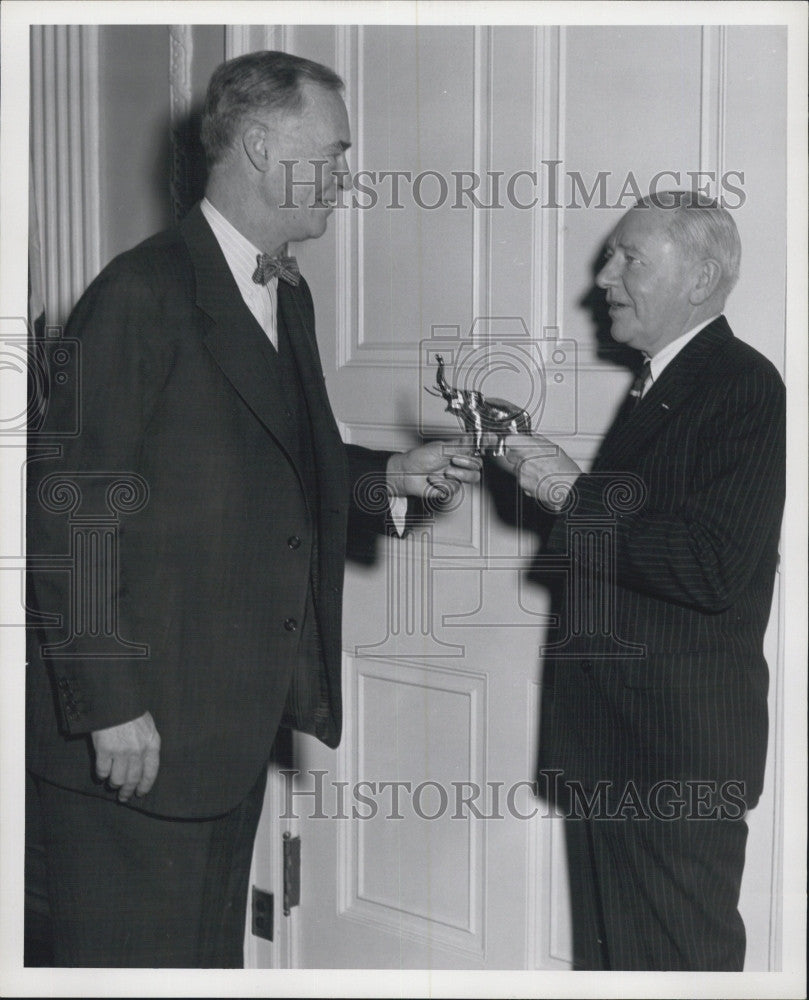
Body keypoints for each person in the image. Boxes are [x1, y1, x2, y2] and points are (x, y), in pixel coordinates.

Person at [25, 50, 481, 968]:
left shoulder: (287, 293)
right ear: (266, 147)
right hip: (135, 741)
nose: (349, 177)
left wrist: (389, 479)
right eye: (336, 151)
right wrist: (109, 704)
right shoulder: (141, 291)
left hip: (222, 731)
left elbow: (281, 462)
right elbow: (67, 510)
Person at [496, 192, 785, 970]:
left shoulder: (743, 386)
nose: (604, 277)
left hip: (673, 762)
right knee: (616, 968)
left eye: (629, 258)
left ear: (699, 279)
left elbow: (709, 566)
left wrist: (565, 490)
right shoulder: (662, 381)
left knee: (678, 969)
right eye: (609, 255)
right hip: (615, 745)